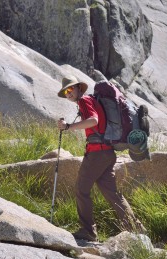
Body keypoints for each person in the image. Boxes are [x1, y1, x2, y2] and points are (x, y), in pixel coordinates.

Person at [56, 76, 145, 242]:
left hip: (97, 153)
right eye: (66, 91)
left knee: (81, 189)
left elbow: (93, 120)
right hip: (107, 153)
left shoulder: (84, 101)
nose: (68, 93)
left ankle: (88, 231)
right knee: (112, 193)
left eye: (70, 89)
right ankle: (135, 228)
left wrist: (69, 126)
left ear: (78, 89)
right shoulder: (91, 101)